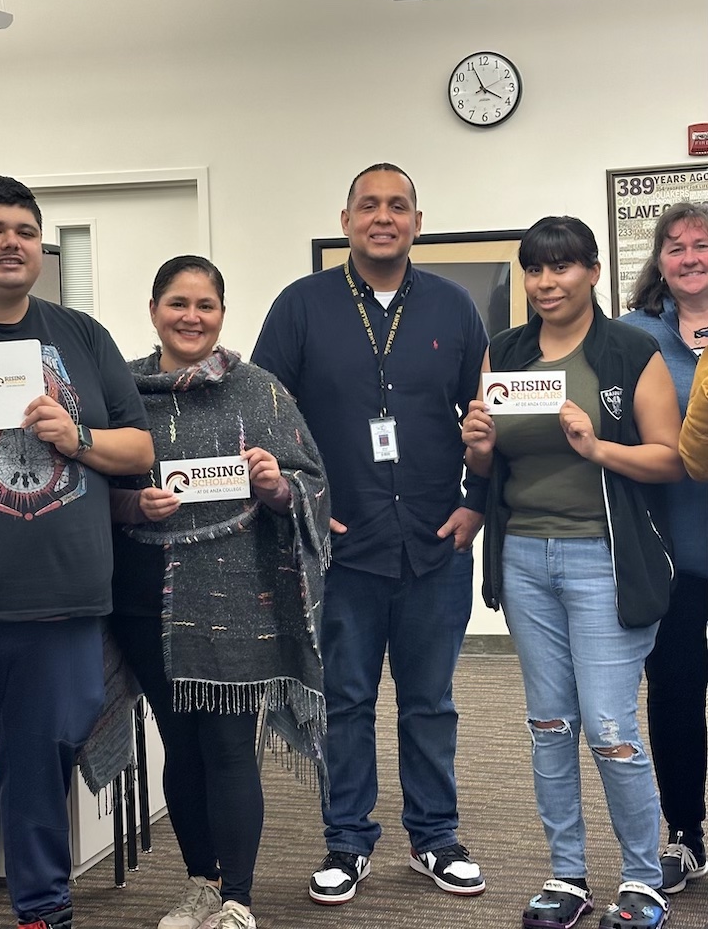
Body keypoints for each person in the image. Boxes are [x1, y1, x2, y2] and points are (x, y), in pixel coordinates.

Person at [252, 163, 488, 905]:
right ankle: (347, 841)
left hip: (434, 541)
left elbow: (486, 417)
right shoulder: (301, 306)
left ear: (418, 221)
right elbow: (263, 415)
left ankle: (435, 838)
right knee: (346, 701)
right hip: (340, 548)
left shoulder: (454, 307)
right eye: (368, 205)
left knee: (430, 703)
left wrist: (478, 503)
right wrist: (300, 504)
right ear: (346, 219)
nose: (383, 217)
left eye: (398, 206)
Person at [462, 216, 682, 929]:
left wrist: (596, 448)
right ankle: (567, 875)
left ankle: (642, 881)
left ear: (592, 272)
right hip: (525, 557)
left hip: (604, 559)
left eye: (561, 267)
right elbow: (488, 464)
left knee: (611, 725)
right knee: (549, 724)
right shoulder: (505, 351)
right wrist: (476, 446)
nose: (545, 282)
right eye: (534, 269)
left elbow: (670, 458)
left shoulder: (629, 351)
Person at [108, 255, 329, 929]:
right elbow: (88, 488)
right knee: (180, 747)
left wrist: (276, 486)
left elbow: (312, 485)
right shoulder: (122, 390)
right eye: (178, 303)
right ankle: (201, 884)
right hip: (146, 598)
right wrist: (133, 505)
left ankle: (238, 900)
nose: (192, 317)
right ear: (154, 311)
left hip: (237, 601)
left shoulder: (259, 391)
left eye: (205, 305)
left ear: (223, 315)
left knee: (230, 747)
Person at [0, 175, 154, 929]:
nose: (11, 243)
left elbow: (139, 448)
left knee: (44, 772)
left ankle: (44, 910)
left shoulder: (81, 336)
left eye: (25, 231)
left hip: (62, 603)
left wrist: (75, 436)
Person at [621, 201, 708, 894]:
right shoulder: (635, 335)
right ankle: (685, 833)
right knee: (675, 696)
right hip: (673, 557)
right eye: (674, 247)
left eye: (702, 244)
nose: (689, 257)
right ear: (659, 261)